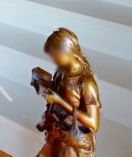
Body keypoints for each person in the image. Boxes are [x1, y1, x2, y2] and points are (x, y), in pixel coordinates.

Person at [34, 28, 101, 157]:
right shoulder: (60, 73)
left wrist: (60, 101)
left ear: (67, 52)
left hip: (74, 142)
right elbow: (58, 99)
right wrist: (45, 87)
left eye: (54, 55)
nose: (53, 60)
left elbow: (94, 123)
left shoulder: (86, 83)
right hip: (58, 133)